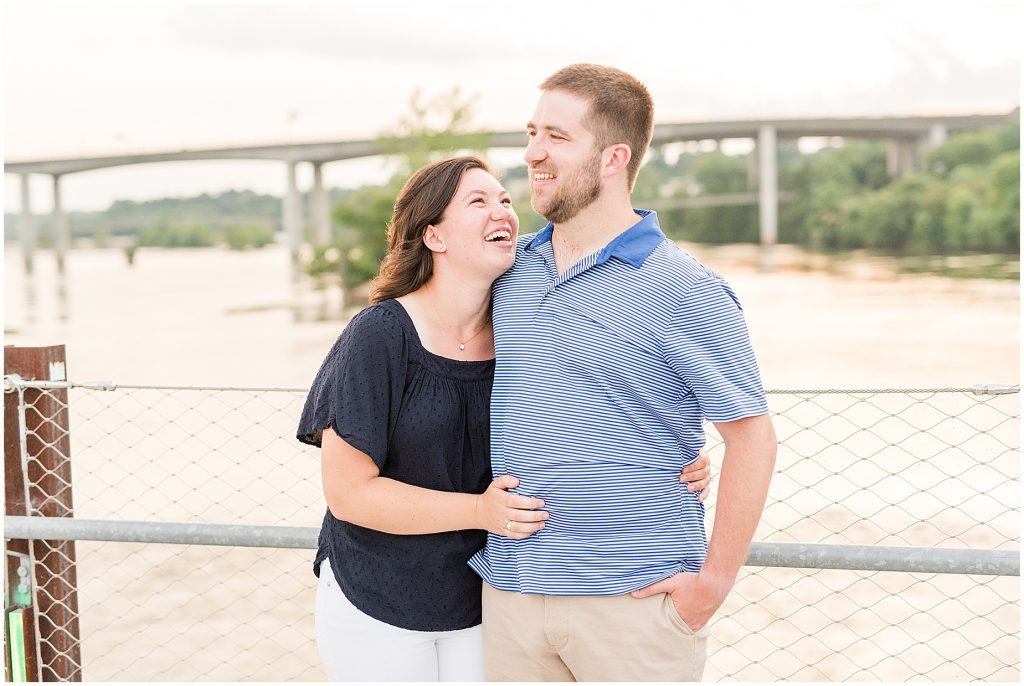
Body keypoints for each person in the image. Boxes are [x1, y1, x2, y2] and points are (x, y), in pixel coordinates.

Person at [295, 156, 712, 682]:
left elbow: (599, 405)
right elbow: (349, 494)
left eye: (505, 200)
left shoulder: (521, 323)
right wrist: (482, 512)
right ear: (434, 237)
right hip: (378, 596)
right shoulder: (380, 336)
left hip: (484, 600)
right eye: (478, 202)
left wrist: (676, 457)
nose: (503, 212)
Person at [467, 64, 778, 682]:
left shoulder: (686, 289)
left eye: (556, 136)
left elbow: (753, 436)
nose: (532, 153)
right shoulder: (507, 271)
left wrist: (713, 582)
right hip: (511, 597)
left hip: (634, 607)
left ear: (613, 158)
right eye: (532, 133)